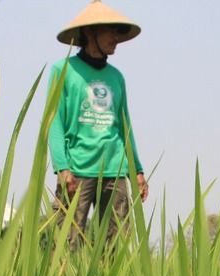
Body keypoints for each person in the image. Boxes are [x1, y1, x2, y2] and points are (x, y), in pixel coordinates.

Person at [48, 1, 148, 246]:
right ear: (91, 31)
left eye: (117, 31)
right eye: (110, 30)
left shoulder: (116, 77)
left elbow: (124, 125)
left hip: (114, 169)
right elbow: (54, 121)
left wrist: (136, 170)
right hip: (77, 169)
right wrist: (62, 167)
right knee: (66, 244)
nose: (116, 37)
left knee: (116, 246)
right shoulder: (63, 70)